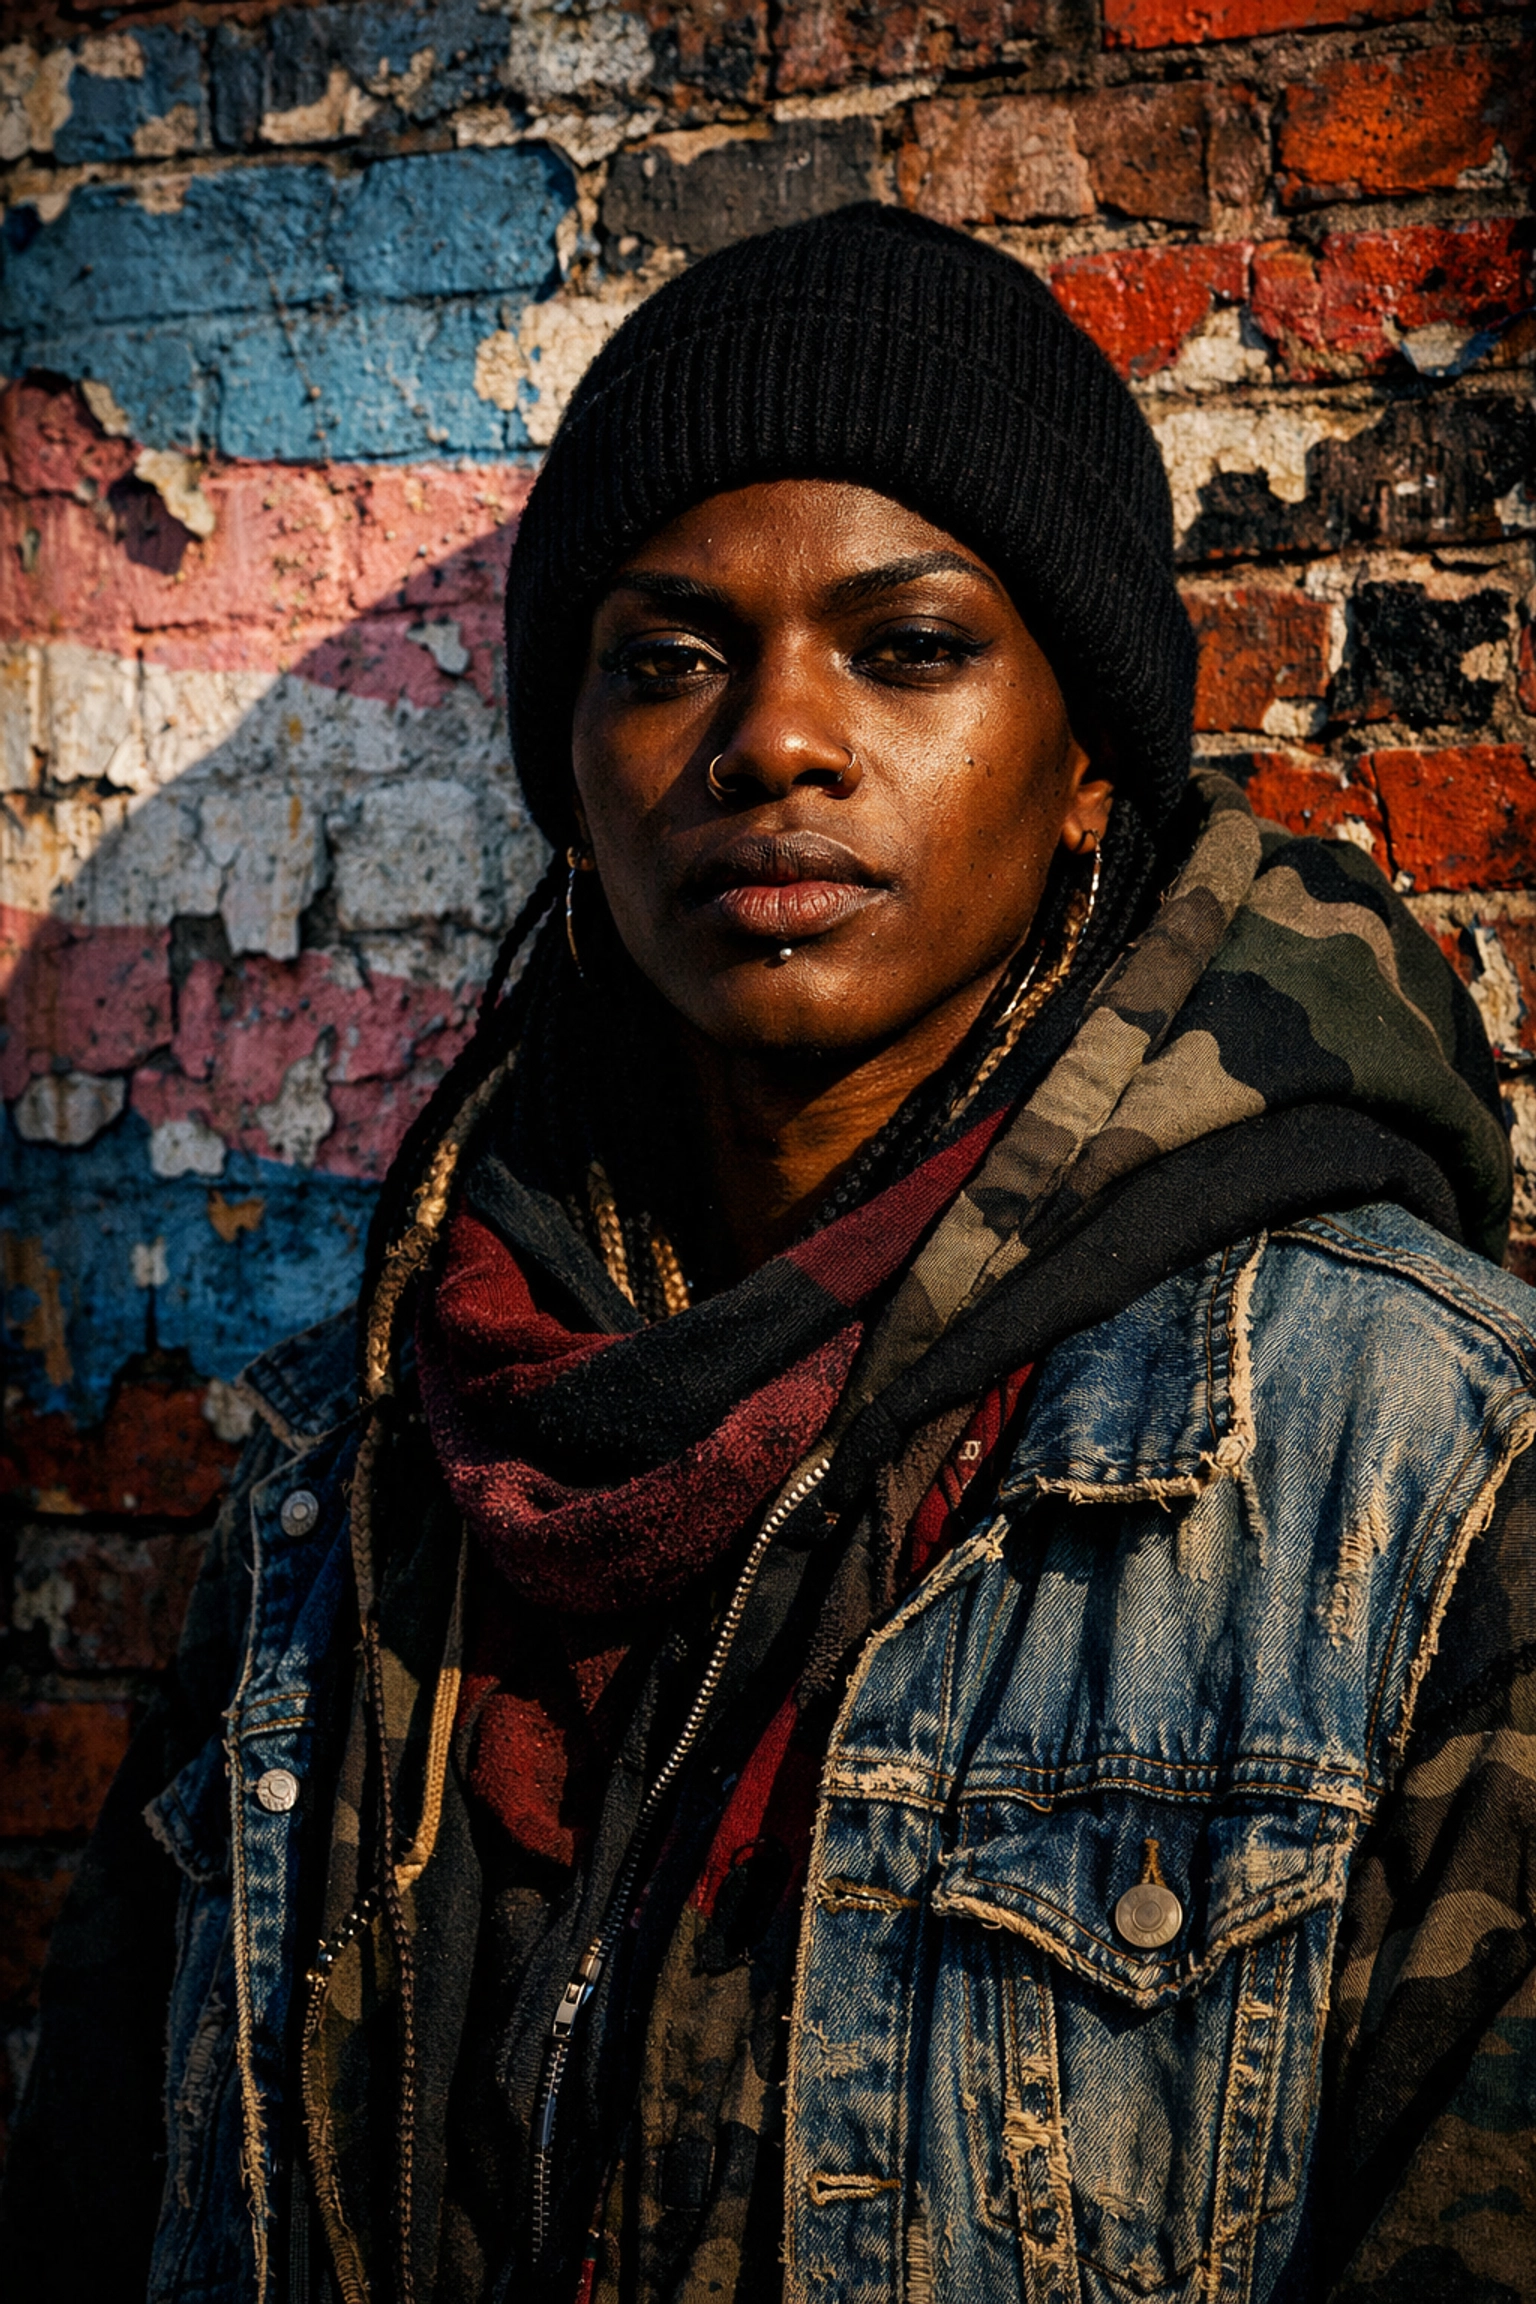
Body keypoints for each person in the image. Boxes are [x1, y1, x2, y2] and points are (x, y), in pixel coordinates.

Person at [5, 203, 1534, 2304]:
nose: (775, 743)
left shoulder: (1412, 1478)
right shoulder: (337, 1495)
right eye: (668, 659)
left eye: (908, 647)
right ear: (567, 768)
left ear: (1090, 757)